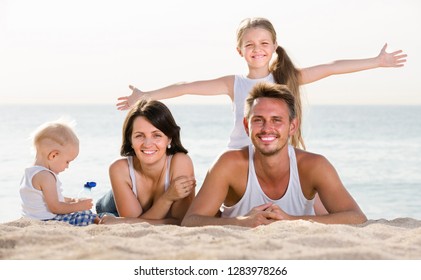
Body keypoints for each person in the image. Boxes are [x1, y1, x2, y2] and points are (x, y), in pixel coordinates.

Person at [116, 17, 407, 150]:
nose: (258, 48)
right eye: (250, 44)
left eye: (264, 43)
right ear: (239, 50)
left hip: (279, 150)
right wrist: (146, 94)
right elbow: (186, 85)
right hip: (240, 152)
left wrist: (375, 61)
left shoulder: (287, 77)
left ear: (274, 46)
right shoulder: (234, 83)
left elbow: (331, 68)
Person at [181, 82, 367, 227]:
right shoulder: (228, 164)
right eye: (258, 120)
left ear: (292, 126)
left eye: (276, 120)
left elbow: (356, 217)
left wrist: (291, 221)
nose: (267, 128)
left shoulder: (315, 165)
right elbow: (190, 221)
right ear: (247, 126)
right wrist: (241, 222)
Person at [97, 99, 196, 225]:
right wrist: (167, 198)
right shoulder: (119, 168)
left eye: (156, 135)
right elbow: (132, 223)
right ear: (130, 140)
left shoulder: (181, 162)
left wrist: (126, 221)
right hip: (111, 209)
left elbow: (180, 222)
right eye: (139, 135)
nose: (148, 144)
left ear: (169, 138)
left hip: (127, 216)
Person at [19, 120, 99, 226]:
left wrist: (72, 200)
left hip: (30, 220)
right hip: (46, 221)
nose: (67, 166)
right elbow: (55, 207)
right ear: (54, 155)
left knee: (82, 213)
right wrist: (79, 206)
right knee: (85, 214)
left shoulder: (30, 172)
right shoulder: (46, 176)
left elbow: (49, 198)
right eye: (67, 161)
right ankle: (100, 221)